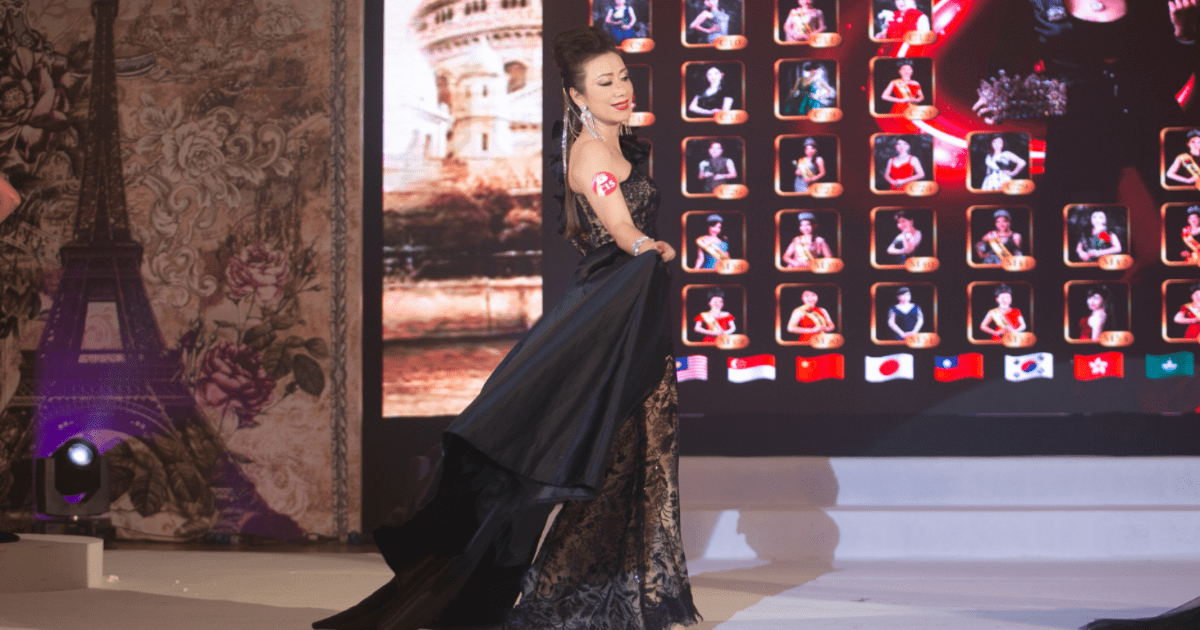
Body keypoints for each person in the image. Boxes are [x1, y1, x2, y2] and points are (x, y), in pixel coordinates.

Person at [313, 26, 700, 630]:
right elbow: (621, 225)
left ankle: (614, 600)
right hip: (604, 327)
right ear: (577, 96)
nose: (622, 89)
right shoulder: (592, 156)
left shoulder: (617, 146)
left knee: (631, 462)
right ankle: (575, 603)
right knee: (601, 459)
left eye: (623, 76)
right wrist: (647, 244)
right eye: (605, 82)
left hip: (628, 318)